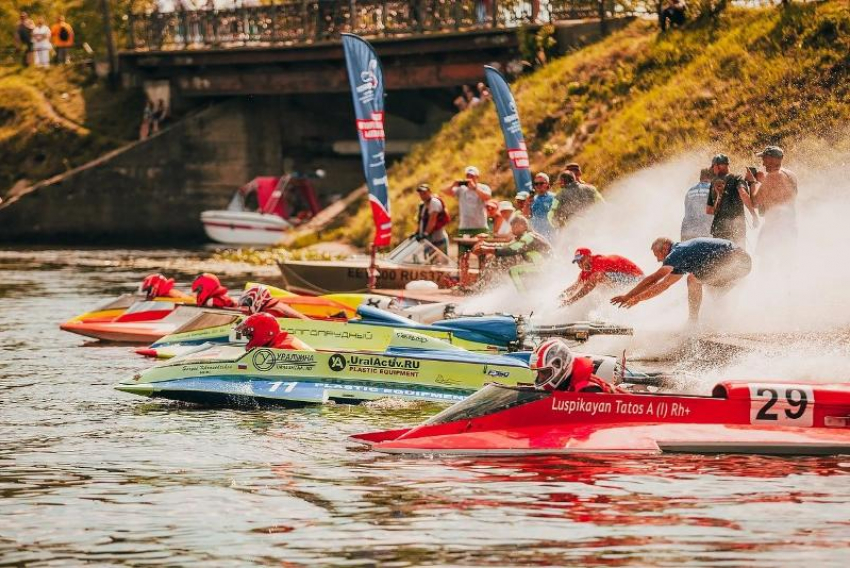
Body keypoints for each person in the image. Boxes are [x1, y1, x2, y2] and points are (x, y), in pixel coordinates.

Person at [611, 237, 752, 321]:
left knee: (693, 279)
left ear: (665, 247)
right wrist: (636, 298)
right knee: (707, 287)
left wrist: (631, 297)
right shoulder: (681, 260)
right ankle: (723, 319)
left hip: (735, 259)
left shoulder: (675, 253)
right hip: (743, 264)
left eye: (657, 255)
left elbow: (654, 279)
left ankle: (693, 321)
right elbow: (664, 285)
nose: (658, 260)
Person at [473, 215, 551, 292]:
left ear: (522, 225)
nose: (512, 229)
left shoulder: (529, 237)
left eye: (514, 226)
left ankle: (524, 298)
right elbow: (507, 246)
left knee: (514, 271)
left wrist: (488, 249)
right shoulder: (524, 237)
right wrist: (487, 245)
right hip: (539, 266)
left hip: (545, 266)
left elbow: (512, 249)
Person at [750, 146, 798, 261]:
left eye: (764, 159)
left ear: (771, 159)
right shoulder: (791, 175)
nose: (763, 163)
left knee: (766, 261)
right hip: (790, 224)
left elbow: (755, 202)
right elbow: (781, 195)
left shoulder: (771, 177)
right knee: (786, 260)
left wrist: (752, 182)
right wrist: (763, 183)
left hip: (774, 227)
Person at [706, 153, 759, 248]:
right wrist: (753, 214)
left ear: (718, 166)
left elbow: (709, 210)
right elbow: (743, 194)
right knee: (739, 255)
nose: (713, 170)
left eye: (713, 167)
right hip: (736, 228)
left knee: (720, 258)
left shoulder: (713, 183)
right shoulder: (737, 178)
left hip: (719, 228)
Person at [530, 338, 621, 393]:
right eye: (539, 373)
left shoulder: (587, 390)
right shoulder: (568, 385)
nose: (540, 378)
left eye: (544, 373)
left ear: (560, 367)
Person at [560, 247, 644, 306]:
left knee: (595, 280)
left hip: (638, 279)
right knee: (591, 284)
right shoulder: (585, 272)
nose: (580, 264)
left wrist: (571, 301)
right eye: (577, 262)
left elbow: (590, 285)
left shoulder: (599, 261)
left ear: (589, 256)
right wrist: (557, 301)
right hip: (623, 283)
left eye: (581, 260)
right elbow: (574, 287)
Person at [442, 165, 492, 255]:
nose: (470, 178)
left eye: (472, 176)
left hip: (480, 227)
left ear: (477, 177)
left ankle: (483, 269)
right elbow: (445, 192)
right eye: (468, 176)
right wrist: (454, 184)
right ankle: (463, 269)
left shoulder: (483, 187)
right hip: (464, 227)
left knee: (482, 254)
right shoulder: (461, 189)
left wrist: (475, 188)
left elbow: (487, 197)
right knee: (462, 255)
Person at [233, 313, 313, 351]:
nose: (247, 336)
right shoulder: (282, 339)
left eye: (250, 333)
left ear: (262, 331)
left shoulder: (281, 349)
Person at [414, 183, 450, 258]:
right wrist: (417, 233)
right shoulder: (423, 205)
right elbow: (421, 221)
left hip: (438, 239)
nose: (422, 195)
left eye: (424, 193)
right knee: (431, 262)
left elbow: (432, 221)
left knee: (442, 263)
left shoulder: (434, 203)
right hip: (430, 240)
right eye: (421, 194)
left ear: (429, 192)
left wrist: (425, 234)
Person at [681, 168, 715, 241]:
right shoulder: (713, 190)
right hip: (705, 233)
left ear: (700, 177)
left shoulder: (690, 191)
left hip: (686, 232)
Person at [529, 172, 556, 240]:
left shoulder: (554, 198)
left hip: (551, 235)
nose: (538, 186)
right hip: (536, 236)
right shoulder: (532, 199)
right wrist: (527, 203)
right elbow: (527, 216)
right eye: (536, 184)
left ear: (547, 184)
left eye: (541, 183)